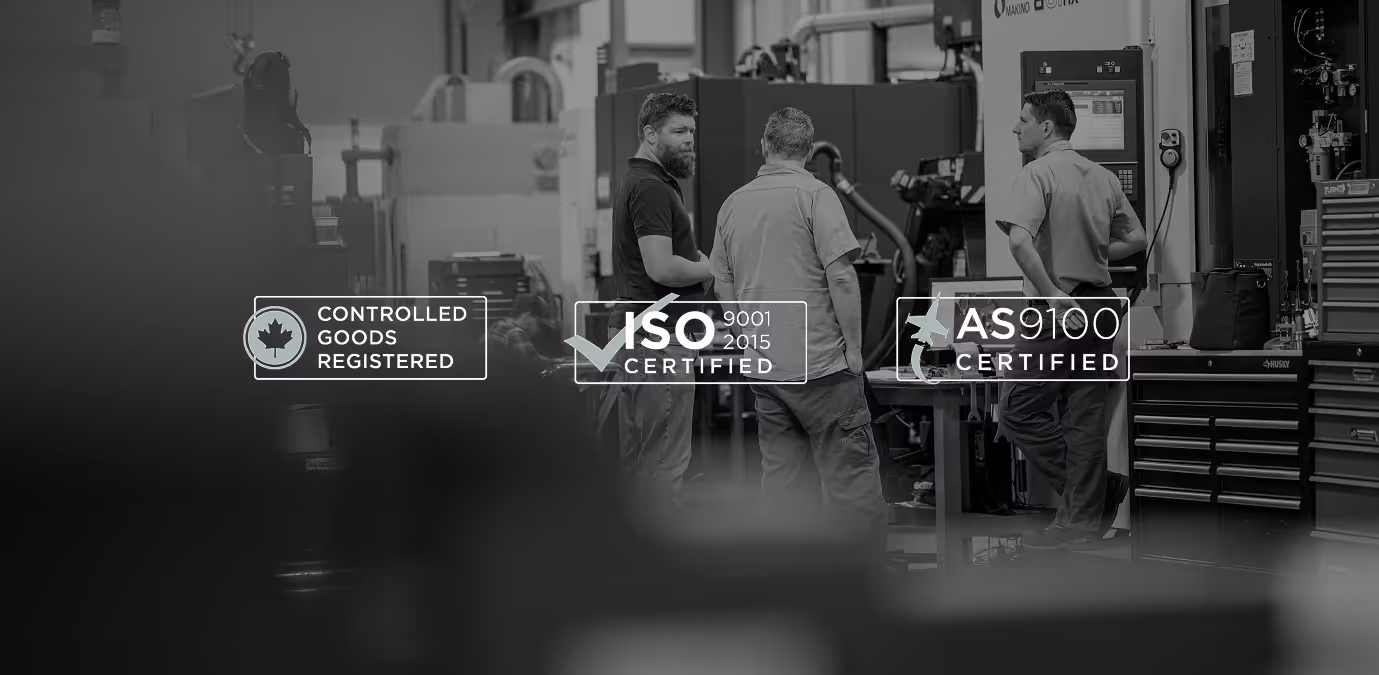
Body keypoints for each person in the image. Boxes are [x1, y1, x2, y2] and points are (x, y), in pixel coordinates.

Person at [709, 107, 886, 540]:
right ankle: (860, 573)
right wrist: (854, 348)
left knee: (783, 487)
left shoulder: (733, 204)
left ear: (765, 147)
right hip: (823, 369)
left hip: (767, 373)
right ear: (808, 151)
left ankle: (786, 573)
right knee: (851, 484)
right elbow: (841, 276)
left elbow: (720, 281)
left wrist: (742, 330)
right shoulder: (816, 195)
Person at [995, 90, 1148, 549]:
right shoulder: (1103, 177)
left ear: (1046, 127)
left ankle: (1094, 496)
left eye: (1023, 120)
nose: (1016, 128)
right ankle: (1082, 520)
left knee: (1015, 410)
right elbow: (1136, 239)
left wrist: (1053, 296)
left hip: (1058, 308)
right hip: (1100, 305)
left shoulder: (1036, 173)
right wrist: (1095, 253)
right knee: (1084, 418)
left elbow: (1019, 241)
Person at [606, 92, 713, 517]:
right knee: (663, 459)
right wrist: (711, 268)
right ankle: (659, 544)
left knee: (642, 458)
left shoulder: (645, 181)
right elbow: (662, 268)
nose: (689, 140)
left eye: (692, 131)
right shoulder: (650, 187)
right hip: (659, 340)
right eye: (679, 131)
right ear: (650, 134)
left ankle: (633, 547)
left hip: (642, 335)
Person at [487, 294, 558, 370]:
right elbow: (533, 363)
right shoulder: (515, 333)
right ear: (527, 317)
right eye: (539, 322)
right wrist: (558, 362)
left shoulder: (496, 326)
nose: (540, 329)